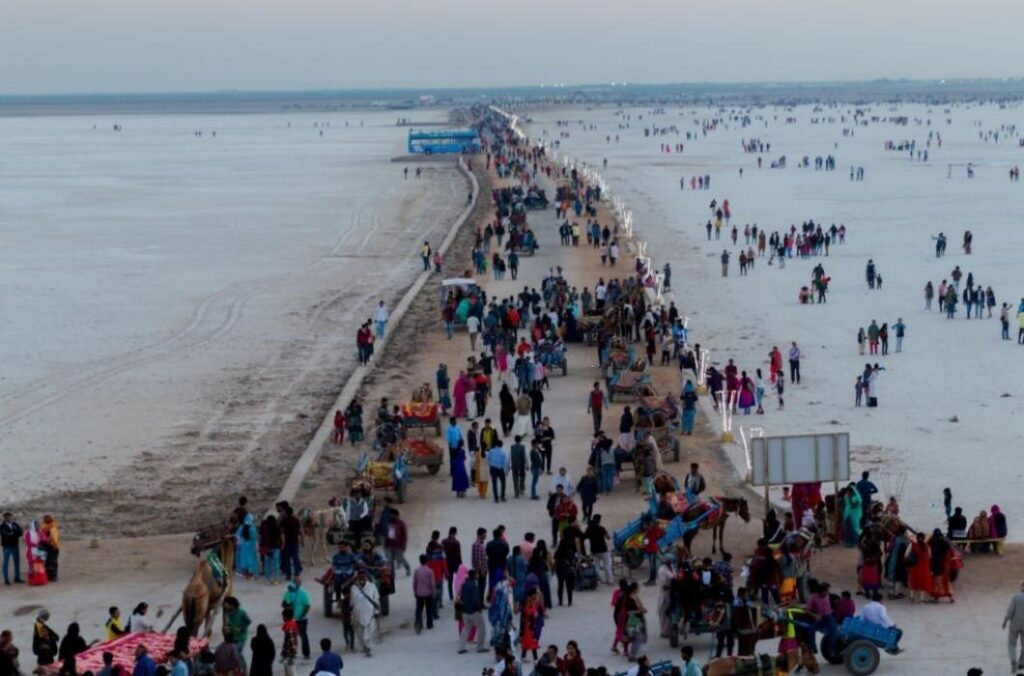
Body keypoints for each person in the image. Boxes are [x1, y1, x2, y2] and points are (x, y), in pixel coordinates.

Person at [457, 569, 488, 654]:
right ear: (474, 576)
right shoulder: (475, 586)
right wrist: (479, 608)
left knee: (466, 628)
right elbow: (475, 599)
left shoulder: (464, 585)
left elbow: (461, 596)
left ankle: (461, 647)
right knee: (481, 628)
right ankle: (480, 647)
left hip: (465, 610)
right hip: (474, 610)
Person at [350, 570, 379, 656]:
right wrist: (351, 612)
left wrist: (376, 612)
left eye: (363, 577)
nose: (362, 579)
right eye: (360, 577)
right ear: (358, 578)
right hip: (357, 613)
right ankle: (363, 646)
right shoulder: (353, 588)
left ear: (366, 577)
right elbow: (352, 602)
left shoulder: (372, 586)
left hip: (369, 613)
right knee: (359, 632)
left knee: (369, 630)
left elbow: (376, 599)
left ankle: (367, 646)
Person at [1002, 581, 1024, 673]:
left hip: (1015, 623)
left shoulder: (1016, 596)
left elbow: (1010, 610)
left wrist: (1005, 621)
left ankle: (1013, 660)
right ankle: (1022, 663)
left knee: (1011, 644)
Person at [413, 554, 436, 633]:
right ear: (427, 561)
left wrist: (415, 591)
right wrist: (434, 592)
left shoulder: (416, 571)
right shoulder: (430, 571)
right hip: (428, 593)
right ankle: (429, 624)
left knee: (419, 609)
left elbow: (414, 583)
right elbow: (432, 583)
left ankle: (418, 624)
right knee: (429, 609)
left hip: (419, 593)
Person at [1, 512, 23, 585]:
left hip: (15, 546)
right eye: (7, 517)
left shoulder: (15, 524)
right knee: (6, 563)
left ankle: (17, 577)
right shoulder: (2, 526)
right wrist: (14, 533)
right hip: (7, 546)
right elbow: (6, 535)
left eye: (10, 516)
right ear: (5, 518)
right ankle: (6, 579)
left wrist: (12, 533)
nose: (9, 518)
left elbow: (20, 532)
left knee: (17, 562)